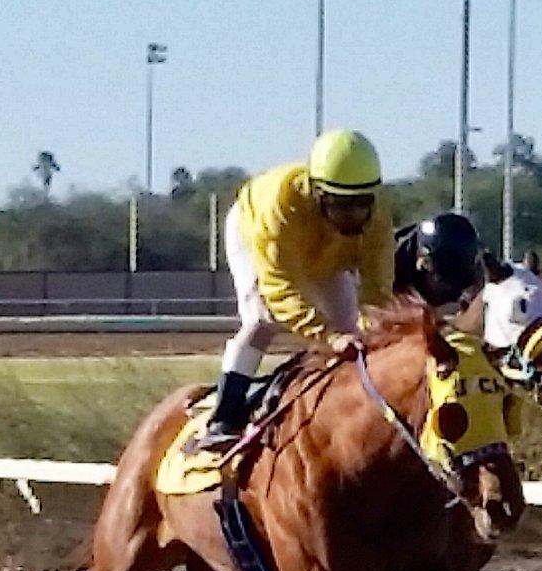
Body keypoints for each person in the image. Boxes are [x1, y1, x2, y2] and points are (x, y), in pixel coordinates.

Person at [191, 128, 395, 452]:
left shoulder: (378, 218)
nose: (354, 216)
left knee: (354, 330)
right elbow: (279, 287)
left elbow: (377, 290)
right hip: (256, 233)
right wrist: (327, 335)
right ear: (318, 193)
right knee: (262, 320)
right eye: (341, 205)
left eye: (362, 204)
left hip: (323, 249)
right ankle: (224, 418)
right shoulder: (279, 206)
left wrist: (368, 330)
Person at [392, 211, 487, 314]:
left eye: (447, 284)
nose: (442, 288)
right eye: (440, 281)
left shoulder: (477, 279)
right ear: (424, 264)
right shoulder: (391, 266)